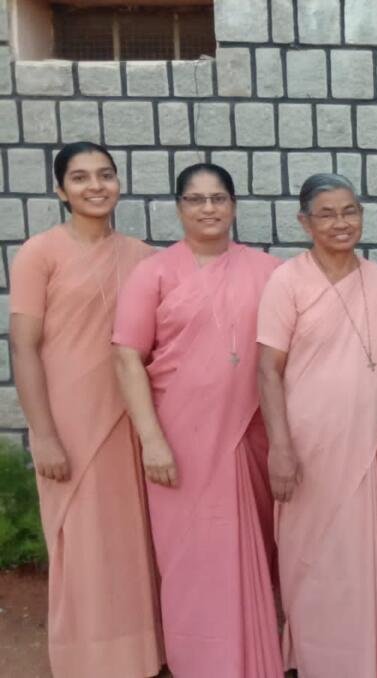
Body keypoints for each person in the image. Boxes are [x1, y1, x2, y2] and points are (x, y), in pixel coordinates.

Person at [112, 163, 283, 678]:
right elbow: (127, 357)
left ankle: (255, 660)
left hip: (251, 435)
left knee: (252, 550)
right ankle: (202, 662)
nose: (208, 208)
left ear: (233, 205)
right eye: (196, 199)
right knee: (191, 556)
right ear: (179, 208)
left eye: (218, 198)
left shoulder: (270, 271)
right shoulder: (154, 273)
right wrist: (151, 440)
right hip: (179, 441)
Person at [10, 141, 162, 677]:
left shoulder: (144, 257)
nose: (95, 186)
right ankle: (87, 660)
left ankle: (141, 654)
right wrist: (44, 434)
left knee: (131, 539)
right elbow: (23, 346)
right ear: (60, 190)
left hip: (132, 417)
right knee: (81, 542)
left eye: (105, 174)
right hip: (70, 421)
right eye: (80, 177)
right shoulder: (39, 254)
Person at [257, 174, 377, 678]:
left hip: (366, 446)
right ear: (305, 223)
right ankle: (316, 661)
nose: (341, 223)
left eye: (350, 211)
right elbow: (267, 369)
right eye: (327, 214)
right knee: (310, 558)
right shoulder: (287, 281)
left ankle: (362, 662)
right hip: (306, 449)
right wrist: (280, 447)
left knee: (357, 560)